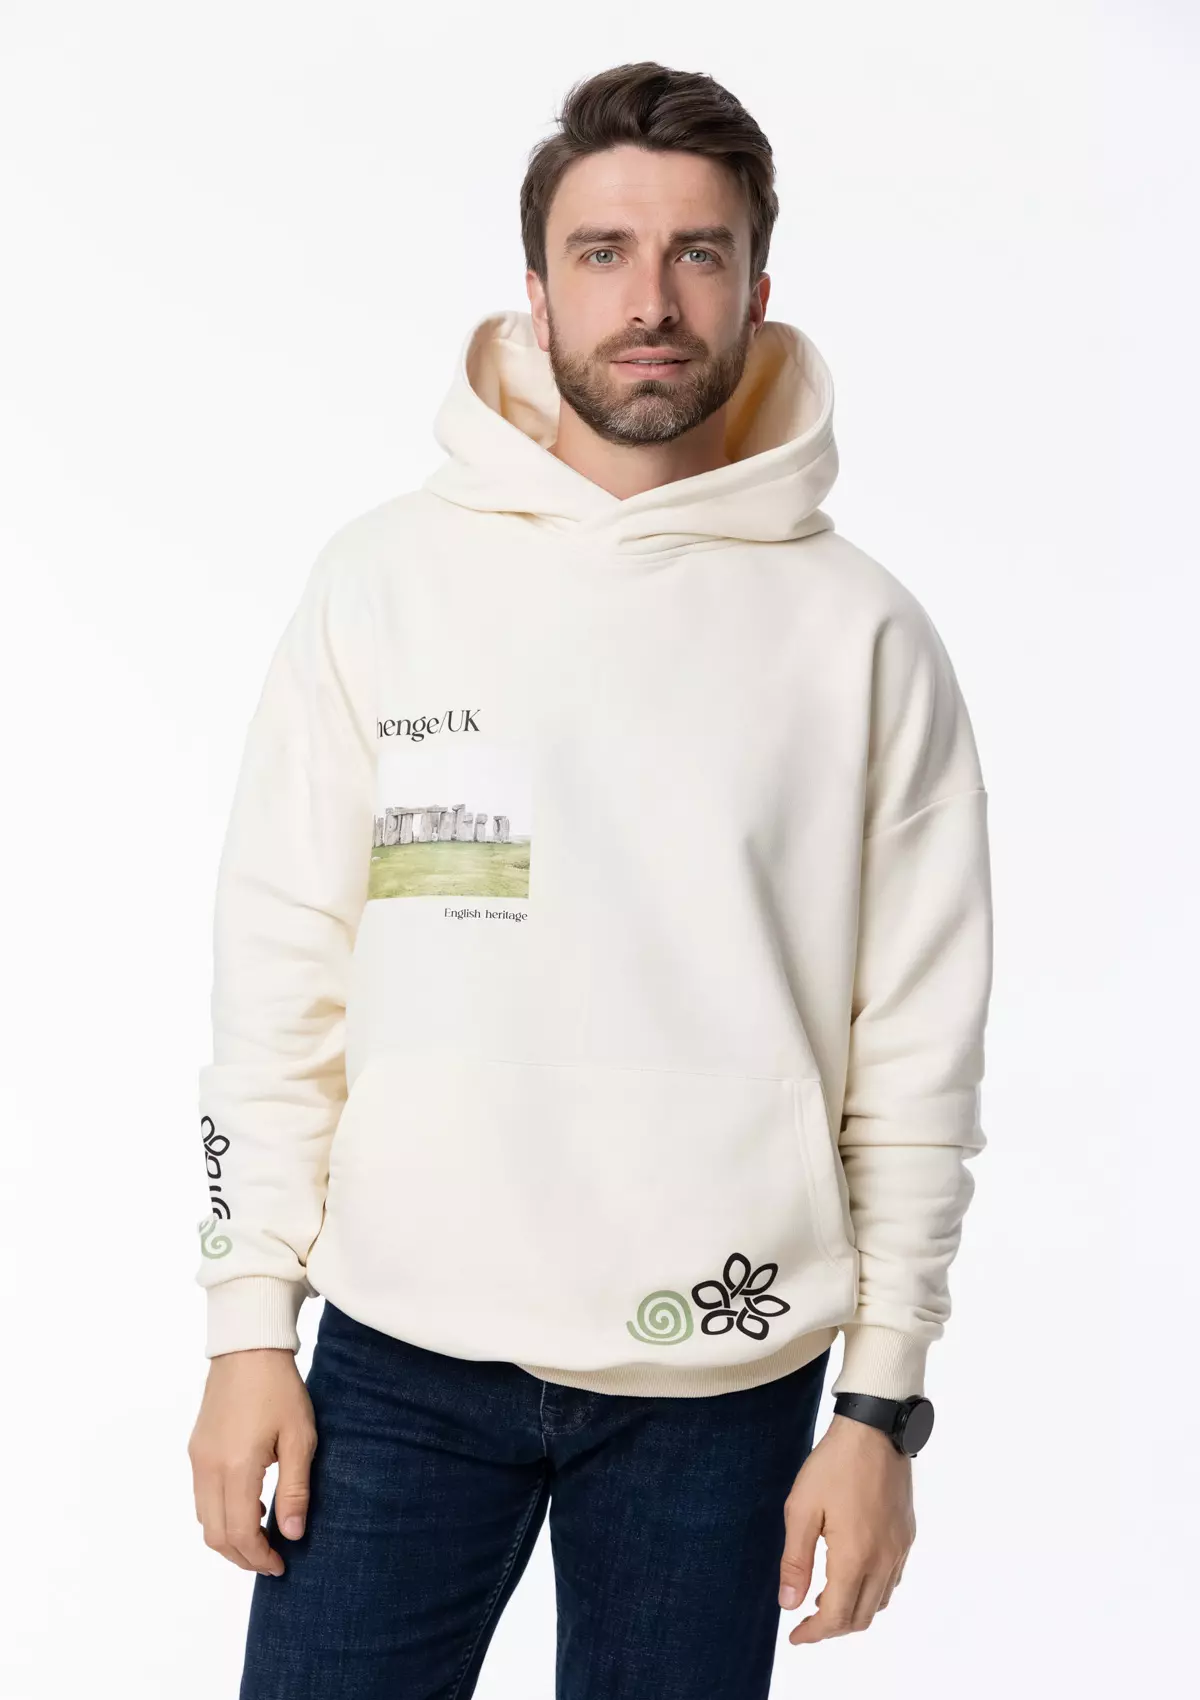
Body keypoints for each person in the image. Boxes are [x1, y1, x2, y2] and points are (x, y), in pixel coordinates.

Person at [188, 59, 994, 1700]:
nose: (651, 301)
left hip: (724, 1378)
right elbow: (282, 974)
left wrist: (880, 1405)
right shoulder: (385, 583)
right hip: (398, 1355)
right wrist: (246, 1322)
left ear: (757, 290)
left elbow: (917, 1048)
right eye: (605, 251)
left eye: (699, 252)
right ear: (538, 285)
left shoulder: (862, 635)